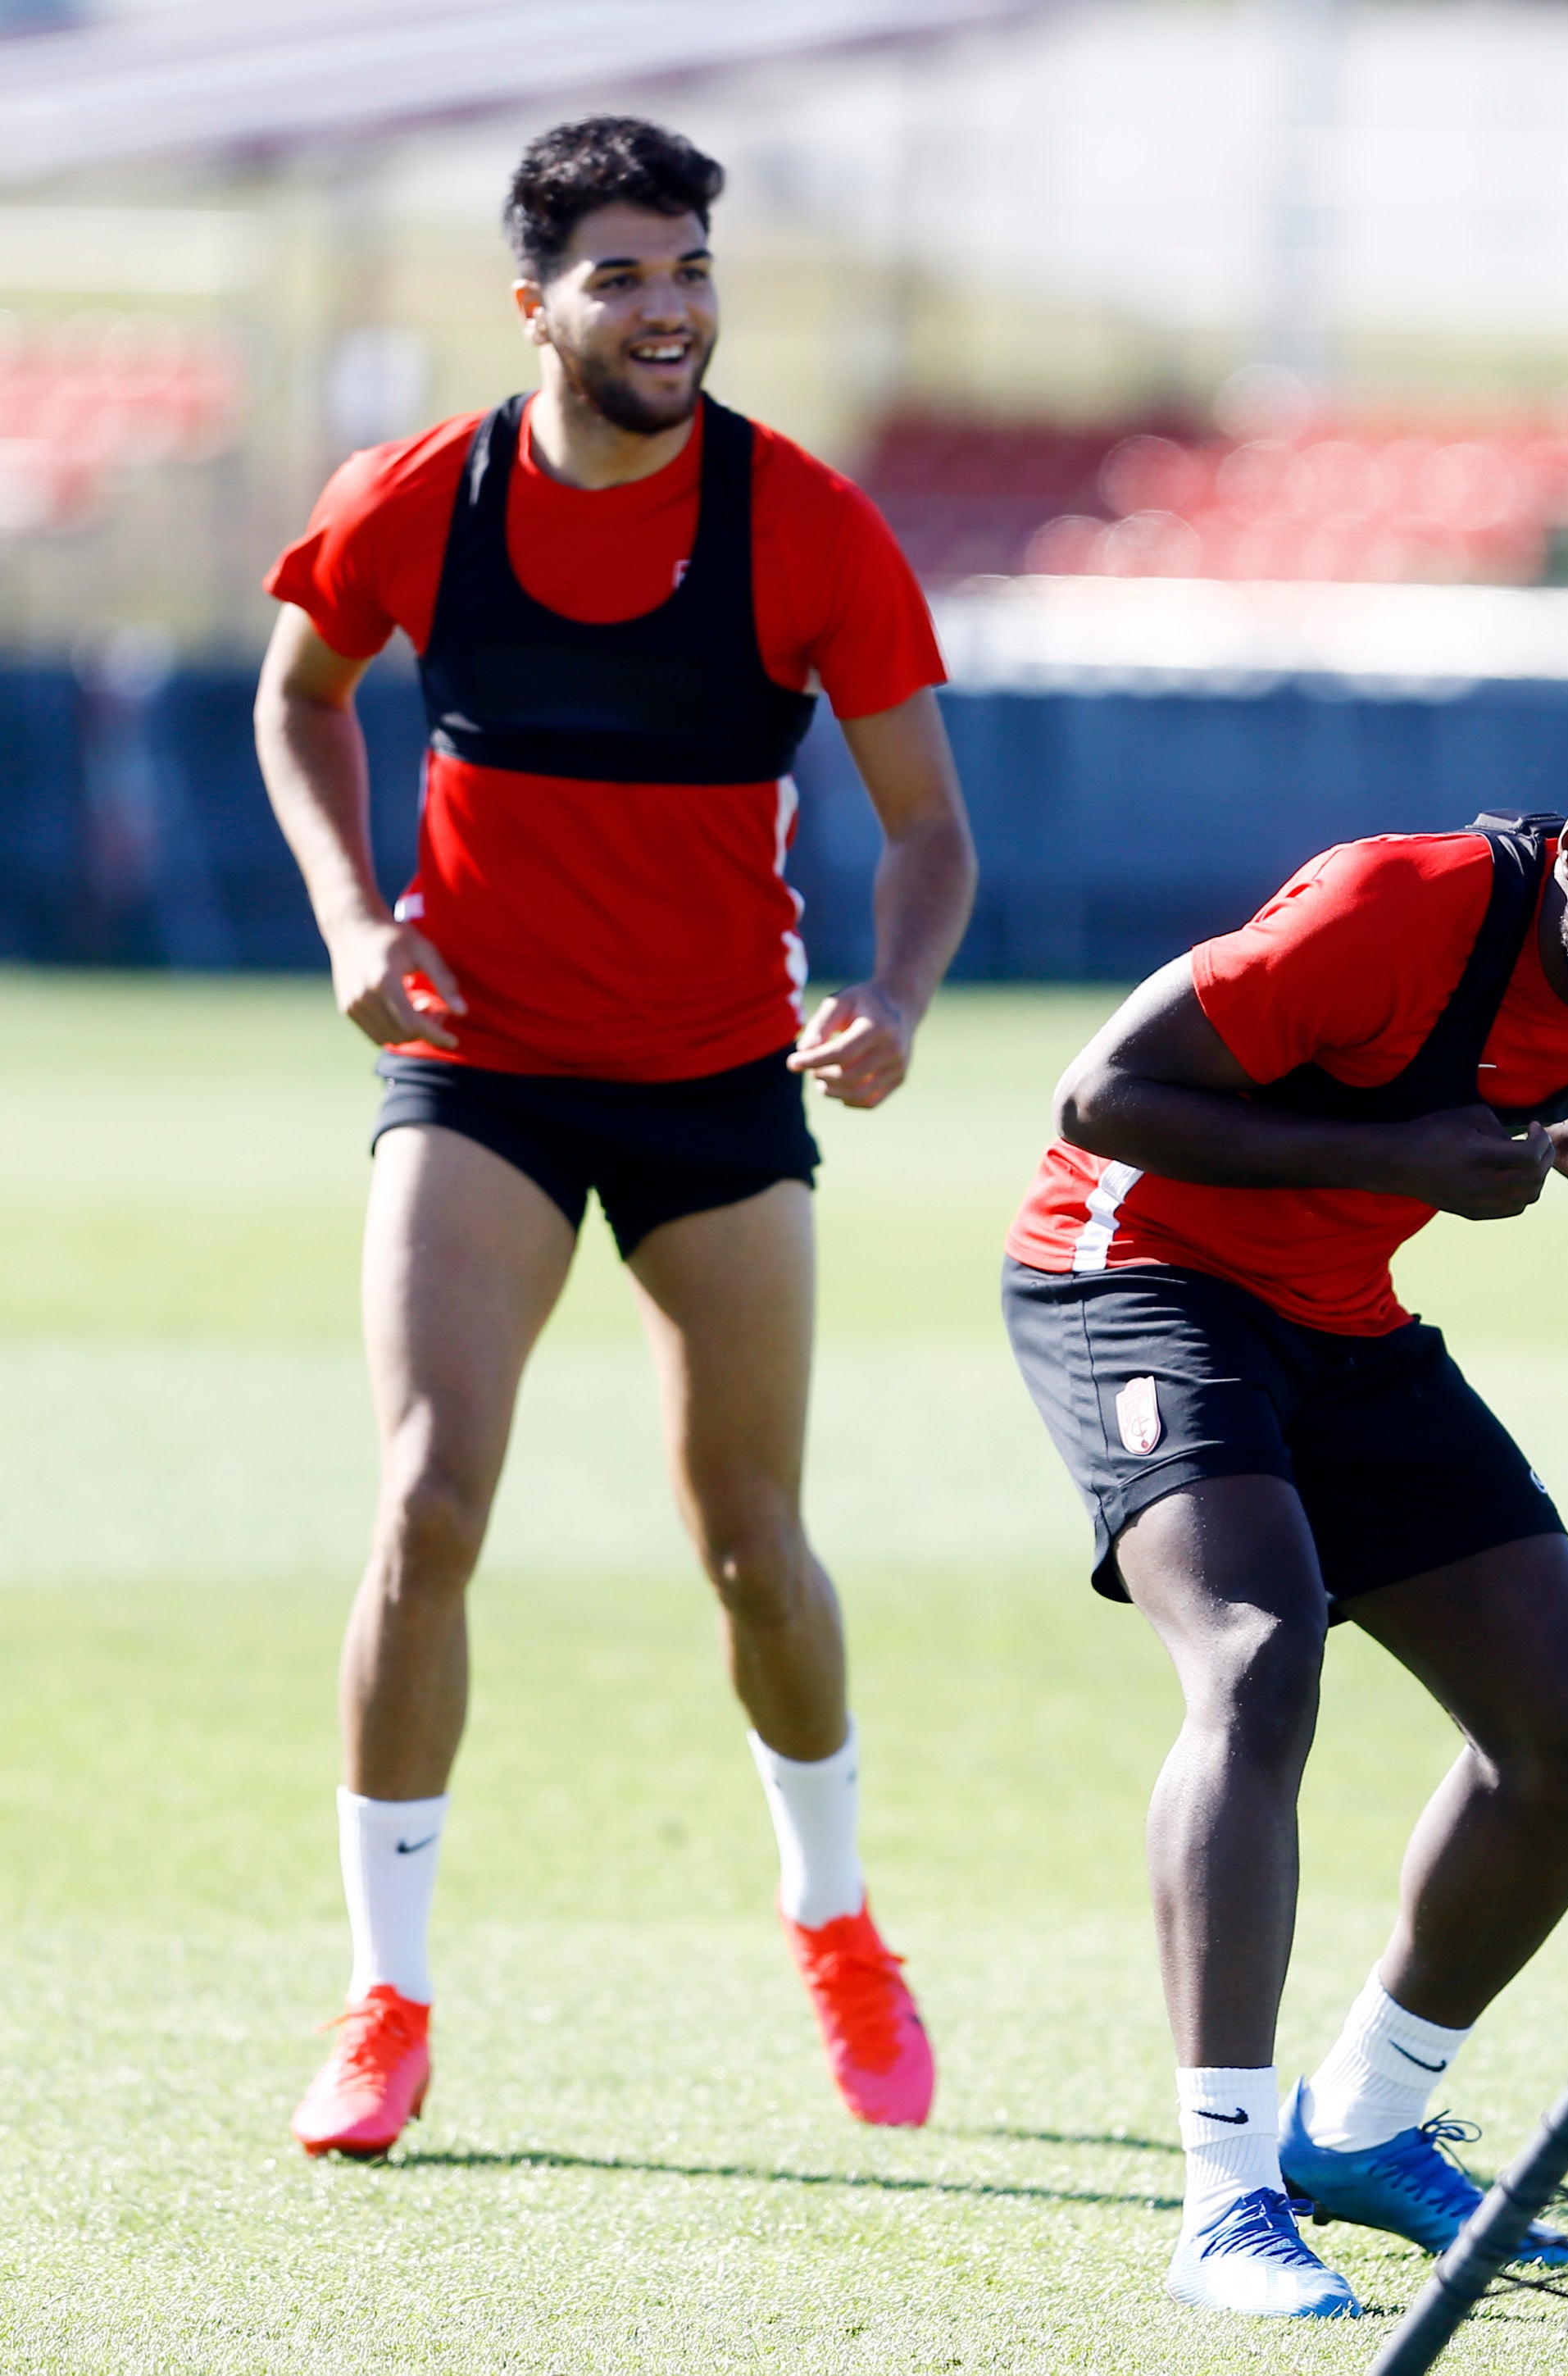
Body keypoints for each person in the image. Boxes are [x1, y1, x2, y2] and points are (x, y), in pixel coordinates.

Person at [252, 116, 977, 2160]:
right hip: (478, 1069)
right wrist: (349, 913)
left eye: (691, 273)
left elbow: (929, 831)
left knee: (754, 1549)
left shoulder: (805, 525)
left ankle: (836, 1925)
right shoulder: (422, 496)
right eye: (625, 279)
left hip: (718, 1085)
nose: (670, 313)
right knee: (427, 1506)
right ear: (534, 307)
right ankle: (386, 1997)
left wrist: (896, 1003)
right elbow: (297, 697)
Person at [1002, 681, 1568, 2315]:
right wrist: (1395, 1169)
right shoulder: (1401, 902)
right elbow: (1097, 1098)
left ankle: (1362, 2128)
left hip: (1336, 1317)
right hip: (1135, 1273)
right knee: (1257, 1658)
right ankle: (1226, 2204)